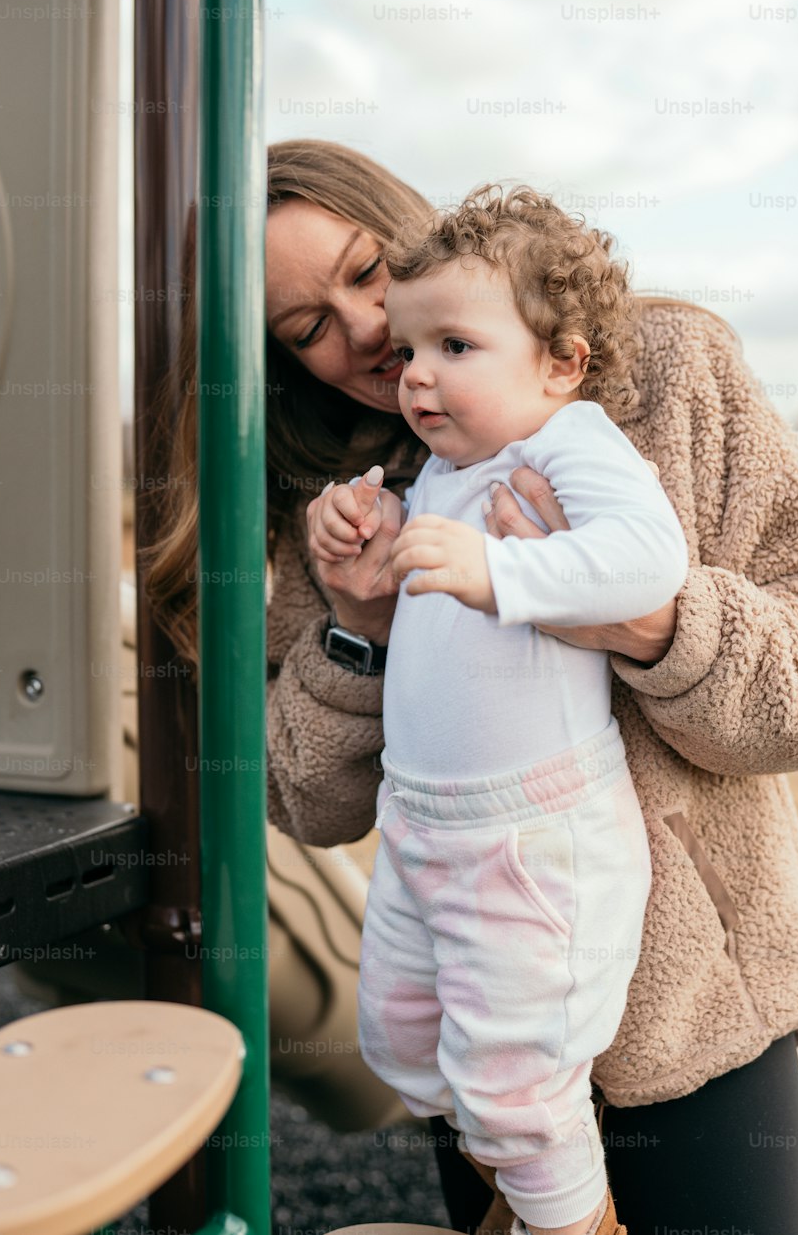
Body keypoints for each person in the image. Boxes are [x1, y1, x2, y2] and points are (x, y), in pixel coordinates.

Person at [144, 139, 798, 1234]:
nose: (359, 334)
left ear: (413, 236)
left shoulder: (666, 374)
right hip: (474, 1006)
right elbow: (308, 799)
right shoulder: (335, 496)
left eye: (364, 274)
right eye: (305, 328)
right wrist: (361, 631)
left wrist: (649, 621)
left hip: (694, 1018)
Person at [317, 185, 689, 1235]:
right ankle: (521, 1194)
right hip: (423, 822)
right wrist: (376, 539)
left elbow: (645, 558)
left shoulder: (568, 441)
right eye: (407, 346)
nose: (416, 372)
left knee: (514, 1079)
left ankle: (575, 1223)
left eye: (454, 345)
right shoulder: (443, 465)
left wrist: (496, 567)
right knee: (398, 1040)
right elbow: (426, 608)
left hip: (531, 835)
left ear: (558, 361)